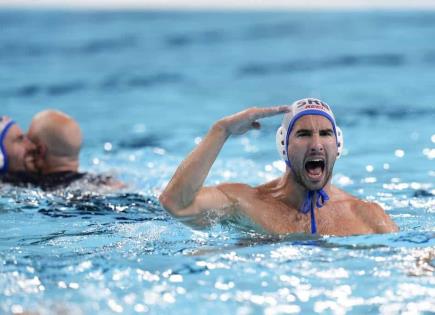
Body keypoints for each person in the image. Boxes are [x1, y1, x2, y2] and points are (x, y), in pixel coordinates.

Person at [159, 98, 399, 236]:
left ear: (338, 144)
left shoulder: (367, 216)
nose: (316, 144)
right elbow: (176, 204)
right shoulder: (244, 202)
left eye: (325, 134)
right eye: (304, 134)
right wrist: (221, 130)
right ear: (283, 145)